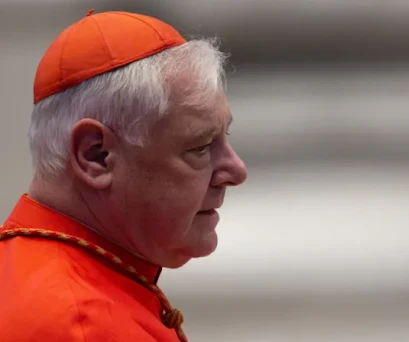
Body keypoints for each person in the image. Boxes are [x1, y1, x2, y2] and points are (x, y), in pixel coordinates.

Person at [0, 9, 247, 342]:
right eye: (200, 147)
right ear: (96, 156)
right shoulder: (81, 326)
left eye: (224, 138)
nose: (236, 171)